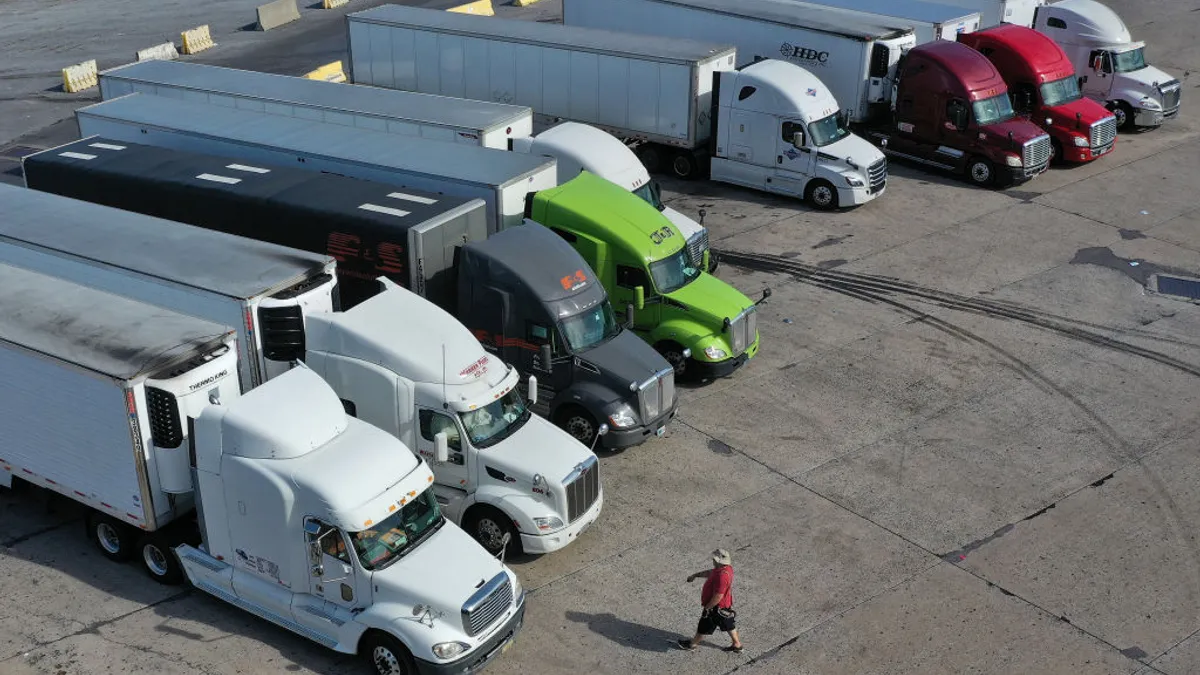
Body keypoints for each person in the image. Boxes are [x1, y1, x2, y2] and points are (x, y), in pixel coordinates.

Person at [677, 548, 743, 653]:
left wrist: (707, 608)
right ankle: (737, 645)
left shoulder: (722, 576)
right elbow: (710, 573)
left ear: (718, 561)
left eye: (714, 559)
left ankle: (692, 644)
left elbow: (718, 596)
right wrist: (695, 575)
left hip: (715, 606)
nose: (712, 561)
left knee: (703, 625)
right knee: (728, 623)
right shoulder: (725, 569)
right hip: (724, 606)